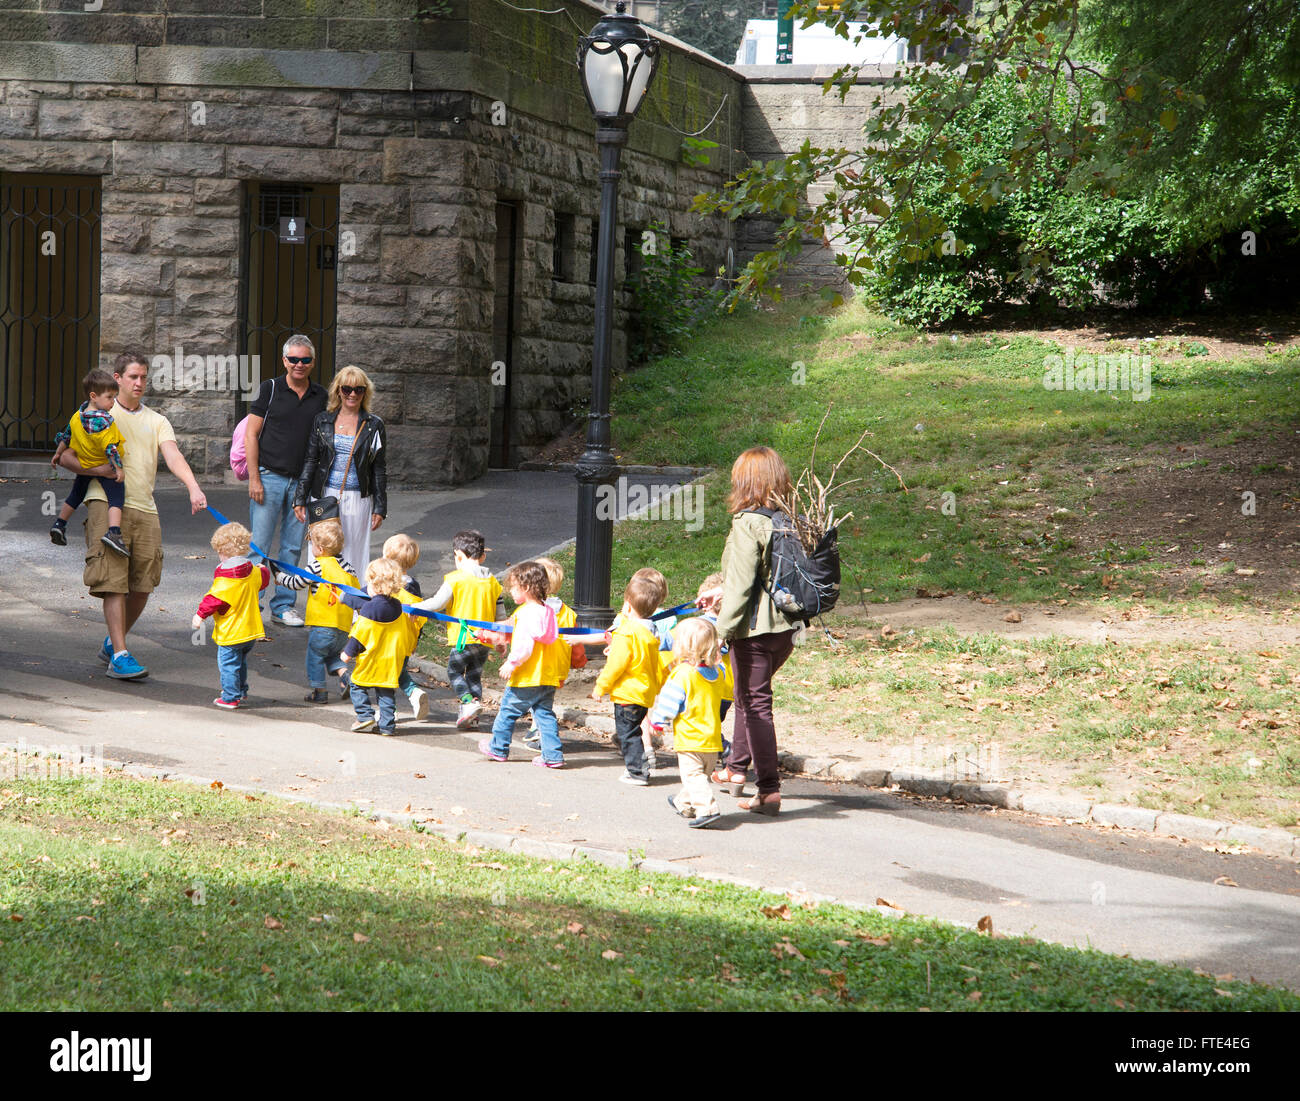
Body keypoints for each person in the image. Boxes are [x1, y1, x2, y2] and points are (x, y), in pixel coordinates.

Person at [54, 350, 207, 680]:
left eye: (143, 377)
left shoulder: (157, 420)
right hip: (105, 504)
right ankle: (121, 655)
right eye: (133, 377)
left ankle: (112, 642)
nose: (139, 383)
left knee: (142, 585)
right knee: (113, 582)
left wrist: (193, 487)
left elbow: (173, 455)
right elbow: (65, 456)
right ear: (118, 378)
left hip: (145, 508)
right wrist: (101, 471)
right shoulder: (98, 414)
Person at [704, 446, 799, 816]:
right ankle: (735, 768)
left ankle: (769, 791)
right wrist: (720, 589)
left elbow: (743, 586)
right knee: (746, 696)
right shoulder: (787, 519)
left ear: (744, 482)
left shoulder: (748, 523)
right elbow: (762, 577)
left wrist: (719, 633)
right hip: (787, 628)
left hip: (756, 631)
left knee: (757, 705)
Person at [244, 335, 328, 627]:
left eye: (305, 360)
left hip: (302, 483)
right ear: (284, 361)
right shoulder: (270, 389)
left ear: (312, 362)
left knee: (292, 547)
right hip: (269, 477)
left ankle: (283, 606)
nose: (299, 365)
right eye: (293, 359)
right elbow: (251, 434)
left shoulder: (321, 396)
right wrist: (254, 477)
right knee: (259, 546)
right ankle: (252, 606)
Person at [293, 364, 386, 584]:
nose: (352, 394)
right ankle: (320, 604)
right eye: (346, 389)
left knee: (354, 549)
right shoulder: (322, 420)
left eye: (358, 389)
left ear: (365, 392)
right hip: (324, 496)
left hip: (358, 498)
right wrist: (300, 497)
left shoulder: (374, 425)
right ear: (338, 391)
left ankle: (353, 608)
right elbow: (311, 460)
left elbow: (379, 468)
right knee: (321, 550)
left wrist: (380, 507)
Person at [412, 529, 506, 731]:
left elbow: (437, 603)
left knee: (454, 671)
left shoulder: (454, 579)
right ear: (483, 556)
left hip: (463, 639)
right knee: (474, 676)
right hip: (484, 641)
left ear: (459, 556)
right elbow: (501, 616)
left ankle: (468, 702)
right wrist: (501, 640)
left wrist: (415, 608)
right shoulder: (493, 582)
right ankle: (472, 715)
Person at [479, 561, 565, 769]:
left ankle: (498, 748)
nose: (511, 593)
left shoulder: (526, 614)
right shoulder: (548, 612)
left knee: (507, 712)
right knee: (544, 715)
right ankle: (553, 755)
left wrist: (512, 662)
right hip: (547, 675)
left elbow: (525, 645)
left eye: (514, 588)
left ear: (525, 588)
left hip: (527, 676)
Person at [650, 617, 733, 829]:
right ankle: (684, 803)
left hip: (690, 739)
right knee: (699, 777)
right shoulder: (718, 673)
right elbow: (719, 668)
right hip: (712, 740)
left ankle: (708, 809)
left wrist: (658, 722)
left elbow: (670, 701)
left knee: (693, 776)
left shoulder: (682, 674)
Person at [273, 518, 359, 703]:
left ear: (320, 548)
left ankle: (319, 691)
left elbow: (297, 583)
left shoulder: (317, 566)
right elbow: (357, 593)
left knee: (315, 656)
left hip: (322, 625)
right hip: (343, 627)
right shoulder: (349, 568)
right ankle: (346, 677)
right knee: (332, 655)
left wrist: (280, 577)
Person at [591, 575, 663, 786]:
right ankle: (641, 766)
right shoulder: (651, 632)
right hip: (644, 691)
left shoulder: (626, 632)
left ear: (628, 607)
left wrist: (600, 686)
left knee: (628, 733)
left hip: (627, 692)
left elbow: (616, 664)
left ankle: (637, 772)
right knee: (635, 730)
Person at [49, 368, 129, 555]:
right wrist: (118, 469)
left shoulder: (77, 416)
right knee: (117, 496)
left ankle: (60, 524)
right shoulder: (105, 422)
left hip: (84, 464)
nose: (112, 402)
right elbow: (111, 449)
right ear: (94, 396)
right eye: (109, 397)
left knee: (76, 494)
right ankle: (114, 533)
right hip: (104, 465)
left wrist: (57, 453)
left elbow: (67, 436)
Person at [192, 522, 270, 709]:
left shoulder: (226, 577)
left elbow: (214, 599)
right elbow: (263, 580)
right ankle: (241, 690)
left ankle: (230, 696)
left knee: (228, 664)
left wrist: (199, 616)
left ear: (221, 550)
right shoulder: (252, 571)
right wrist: (264, 569)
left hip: (231, 632)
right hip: (250, 630)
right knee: (240, 662)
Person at [521, 557, 586, 752]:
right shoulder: (568, 613)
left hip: (535, 666)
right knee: (543, 701)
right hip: (557, 667)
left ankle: (542, 735)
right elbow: (575, 642)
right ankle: (537, 729)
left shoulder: (532, 609)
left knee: (538, 704)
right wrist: (578, 660)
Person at [340, 557, 410, 737]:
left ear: (375, 584)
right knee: (385, 692)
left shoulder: (370, 609)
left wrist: (347, 653)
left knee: (356, 685)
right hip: (390, 659)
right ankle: (387, 726)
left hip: (372, 658)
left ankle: (364, 716)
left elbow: (360, 634)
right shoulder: (397, 606)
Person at [382, 533, 429, 721]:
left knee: (387, 674)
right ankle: (414, 694)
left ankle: (389, 710)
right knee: (399, 669)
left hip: (387, 636)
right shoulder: (413, 585)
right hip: (406, 637)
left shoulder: (385, 582)